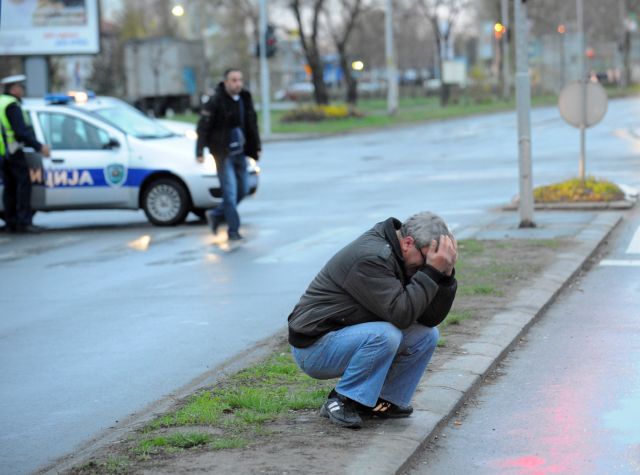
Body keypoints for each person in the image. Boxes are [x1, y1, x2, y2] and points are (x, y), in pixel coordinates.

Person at [287, 211, 458, 429]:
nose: (428, 266)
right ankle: (342, 399)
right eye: (427, 260)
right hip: (314, 348)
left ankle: (383, 401)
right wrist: (432, 272)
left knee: (426, 335)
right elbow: (402, 315)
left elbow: (429, 318)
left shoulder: (404, 255)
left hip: (347, 334)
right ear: (408, 242)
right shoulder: (371, 258)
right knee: (386, 335)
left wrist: (445, 275)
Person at [196, 68, 261, 241]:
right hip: (223, 154)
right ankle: (233, 230)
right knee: (230, 193)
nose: (238, 83)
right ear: (226, 82)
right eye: (234, 80)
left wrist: (256, 147)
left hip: (240, 153)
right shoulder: (215, 100)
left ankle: (216, 214)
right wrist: (199, 151)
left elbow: (252, 124)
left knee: (243, 189)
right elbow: (203, 126)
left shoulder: (245, 98)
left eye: (240, 80)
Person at [0, 74, 51, 233]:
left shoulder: (1, 102)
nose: (22, 90)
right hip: (13, 151)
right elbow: (21, 132)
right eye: (20, 87)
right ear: (13, 89)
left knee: (9, 187)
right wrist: (39, 147)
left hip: (3, 152)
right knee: (23, 186)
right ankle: (23, 221)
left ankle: (11, 221)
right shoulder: (12, 105)